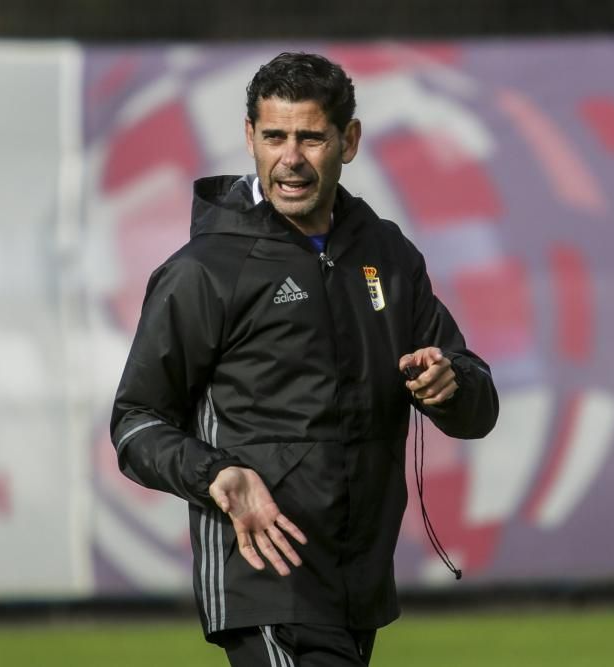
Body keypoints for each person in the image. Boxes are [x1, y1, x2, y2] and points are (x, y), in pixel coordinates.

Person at [110, 51, 499, 667]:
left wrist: (451, 385)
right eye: (274, 137)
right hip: (264, 579)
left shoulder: (389, 256)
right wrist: (217, 476)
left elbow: (475, 405)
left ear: (349, 140)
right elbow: (135, 423)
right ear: (249, 137)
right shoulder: (205, 271)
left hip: (358, 585)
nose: (290, 158)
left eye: (311, 137)